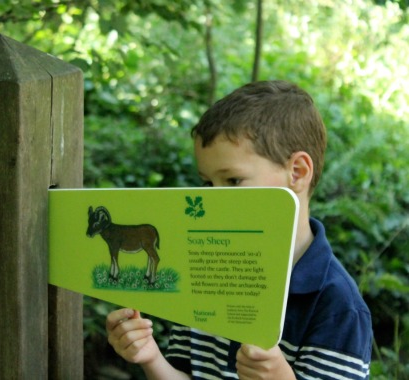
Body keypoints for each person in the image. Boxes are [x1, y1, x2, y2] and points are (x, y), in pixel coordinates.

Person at [105, 80, 373, 379]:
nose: (214, 199)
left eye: (233, 181)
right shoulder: (201, 273)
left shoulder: (337, 305)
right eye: (208, 183)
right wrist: (150, 356)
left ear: (297, 172)